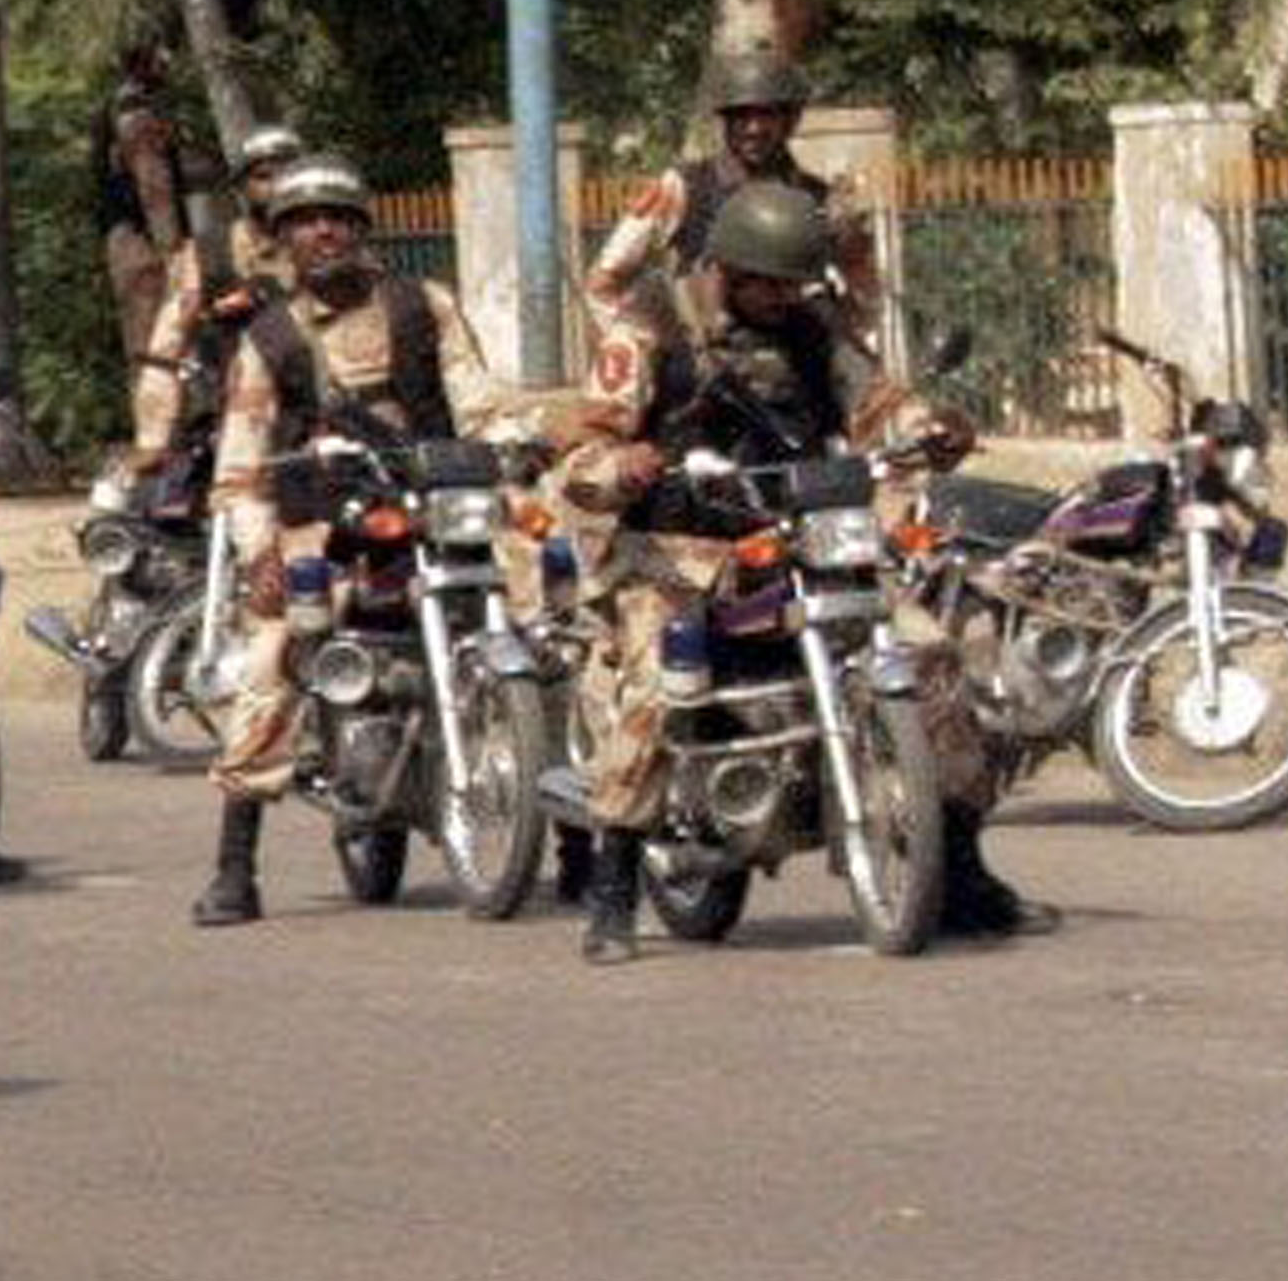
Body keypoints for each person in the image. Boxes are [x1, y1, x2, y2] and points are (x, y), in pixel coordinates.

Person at [555, 182, 1042, 965]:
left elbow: (878, 402)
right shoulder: (650, 324)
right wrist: (623, 463)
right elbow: (582, 449)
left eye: (795, 283)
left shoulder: (814, 327)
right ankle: (614, 881)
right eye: (769, 283)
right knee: (655, 687)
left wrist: (931, 428)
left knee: (930, 654)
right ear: (727, 268)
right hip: (677, 553)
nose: (784, 297)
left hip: (802, 539)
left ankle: (957, 865)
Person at [186, 151, 512, 928]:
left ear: (362, 228)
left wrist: (512, 444)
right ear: (283, 239)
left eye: (337, 217)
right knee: (274, 654)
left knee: (546, 617)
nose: (323, 232)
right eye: (305, 221)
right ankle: (235, 863)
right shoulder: (269, 337)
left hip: (433, 510)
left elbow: (478, 402)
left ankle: (574, 835)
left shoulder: (423, 304)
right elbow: (240, 467)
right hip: (325, 526)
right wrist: (259, 551)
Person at [577, 50, 885, 409]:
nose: (753, 128)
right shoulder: (682, 188)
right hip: (703, 369)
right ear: (725, 121)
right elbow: (604, 280)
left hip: (797, 365)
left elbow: (866, 290)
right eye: (741, 116)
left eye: (766, 114)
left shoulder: (821, 201)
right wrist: (649, 351)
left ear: (790, 119)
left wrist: (850, 344)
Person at [118, 125, 303, 481]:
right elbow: (165, 352)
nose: (278, 186)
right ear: (243, 187)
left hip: (326, 409)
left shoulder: (336, 246)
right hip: (237, 411)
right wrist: (153, 440)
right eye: (264, 176)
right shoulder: (209, 255)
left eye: (289, 174)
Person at [94, 43, 190, 366]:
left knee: (149, 342)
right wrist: (173, 252)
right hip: (144, 242)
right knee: (158, 341)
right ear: (142, 66)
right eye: (161, 61)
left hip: (128, 238)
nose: (168, 68)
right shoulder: (137, 112)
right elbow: (154, 186)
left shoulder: (115, 108)